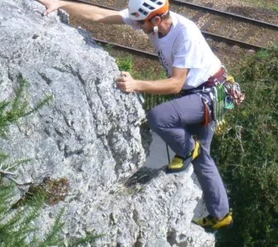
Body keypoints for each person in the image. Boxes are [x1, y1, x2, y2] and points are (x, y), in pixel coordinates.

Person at [34, 0, 233, 229]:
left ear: (156, 19)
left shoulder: (184, 33)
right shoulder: (150, 19)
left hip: (207, 94)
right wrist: (61, 4)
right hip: (202, 94)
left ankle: (188, 148)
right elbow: (100, 15)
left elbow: (176, 84)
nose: (137, 26)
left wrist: (136, 84)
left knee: (159, 117)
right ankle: (221, 215)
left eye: (141, 22)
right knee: (202, 158)